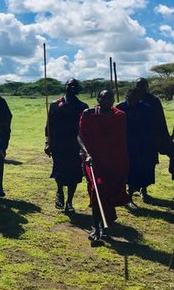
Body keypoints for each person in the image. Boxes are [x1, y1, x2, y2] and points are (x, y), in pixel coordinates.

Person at [78, 90, 129, 242]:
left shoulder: (119, 116)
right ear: (98, 99)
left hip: (114, 160)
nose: (108, 101)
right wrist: (86, 153)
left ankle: (104, 223)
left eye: (111, 98)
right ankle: (96, 226)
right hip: (92, 159)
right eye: (104, 98)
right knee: (97, 189)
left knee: (108, 190)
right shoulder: (88, 114)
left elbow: (120, 140)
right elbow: (79, 136)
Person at [45, 79, 88, 212]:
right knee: (59, 171)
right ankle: (59, 192)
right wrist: (48, 143)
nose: (72, 88)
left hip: (75, 145)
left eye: (75, 86)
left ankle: (69, 202)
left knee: (74, 174)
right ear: (65, 87)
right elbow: (49, 125)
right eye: (70, 85)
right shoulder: (55, 104)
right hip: (58, 144)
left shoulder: (82, 106)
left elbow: (85, 128)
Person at [116, 88, 156, 202]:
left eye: (136, 97)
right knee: (128, 169)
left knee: (143, 168)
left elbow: (151, 127)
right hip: (125, 143)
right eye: (131, 97)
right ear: (127, 96)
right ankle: (128, 196)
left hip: (142, 143)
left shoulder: (146, 108)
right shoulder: (120, 108)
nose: (134, 100)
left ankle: (143, 190)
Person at [135, 77, 174, 196]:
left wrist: (166, 136)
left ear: (147, 86)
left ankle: (144, 189)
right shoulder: (133, 99)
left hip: (152, 137)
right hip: (136, 138)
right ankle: (133, 189)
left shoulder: (154, 100)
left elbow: (160, 119)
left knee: (149, 163)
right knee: (137, 163)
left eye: (143, 85)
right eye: (138, 85)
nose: (141, 87)